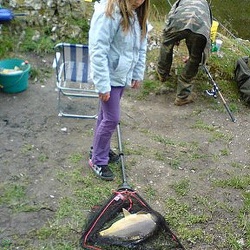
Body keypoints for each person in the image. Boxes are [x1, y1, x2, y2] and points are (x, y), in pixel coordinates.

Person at [88, 0, 150, 181]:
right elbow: (98, 50)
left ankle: (100, 149)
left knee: (105, 116)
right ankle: (98, 160)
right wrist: (102, 84)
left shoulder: (137, 14)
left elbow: (141, 47)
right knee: (112, 119)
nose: (139, 0)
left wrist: (137, 73)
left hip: (121, 75)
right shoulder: (108, 12)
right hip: (109, 77)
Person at [157, 0, 212, 106]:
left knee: (166, 45)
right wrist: (196, 57)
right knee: (195, 59)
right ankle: (183, 96)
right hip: (200, 30)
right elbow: (207, 35)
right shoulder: (206, 5)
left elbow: (169, 20)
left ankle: (162, 73)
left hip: (178, 22)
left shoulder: (180, 1)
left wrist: (173, 37)